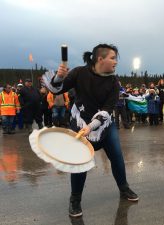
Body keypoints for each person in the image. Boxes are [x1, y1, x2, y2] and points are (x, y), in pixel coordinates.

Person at [42, 43, 139, 218]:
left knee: (117, 157)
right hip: (79, 123)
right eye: (113, 58)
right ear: (100, 59)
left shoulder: (113, 82)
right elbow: (57, 89)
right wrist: (59, 77)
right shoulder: (79, 73)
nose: (116, 62)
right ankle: (75, 199)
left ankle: (124, 188)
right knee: (79, 164)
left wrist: (92, 126)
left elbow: (108, 109)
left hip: (103, 125)